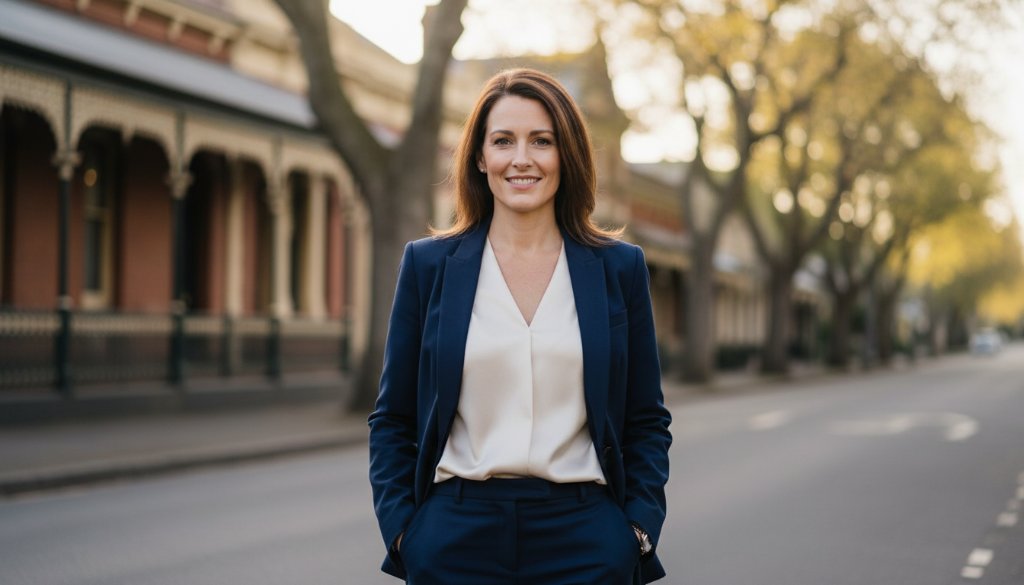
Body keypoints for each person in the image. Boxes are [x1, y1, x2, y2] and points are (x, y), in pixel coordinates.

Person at [368, 67, 672, 585]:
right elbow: (393, 419)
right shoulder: (428, 265)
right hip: (455, 538)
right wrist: (405, 532)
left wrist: (636, 531)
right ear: (480, 157)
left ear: (565, 155)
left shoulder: (619, 269)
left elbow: (645, 420)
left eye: (542, 141)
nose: (522, 158)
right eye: (503, 140)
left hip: (585, 538)